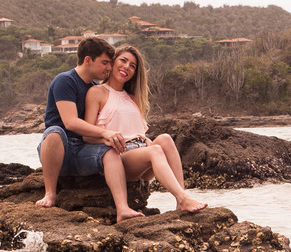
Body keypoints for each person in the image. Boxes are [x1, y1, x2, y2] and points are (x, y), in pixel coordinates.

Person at [83, 45, 207, 214]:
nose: (127, 67)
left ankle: (181, 199)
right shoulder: (97, 92)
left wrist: (146, 140)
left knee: (165, 139)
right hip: (118, 158)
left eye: (132, 66)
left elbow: (135, 131)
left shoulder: (133, 98)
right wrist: (107, 137)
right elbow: (87, 136)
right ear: (112, 62)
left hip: (140, 154)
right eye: (123, 61)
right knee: (155, 150)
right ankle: (183, 198)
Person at [36, 37, 144, 223]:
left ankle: (123, 208)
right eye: (105, 63)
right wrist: (105, 133)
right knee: (54, 133)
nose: (109, 68)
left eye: (110, 63)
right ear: (88, 60)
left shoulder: (95, 88)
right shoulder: (65, 80)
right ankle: (50, 194)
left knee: (110, 151)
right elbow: (70, 122)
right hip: (60, 150)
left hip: (84, 150)